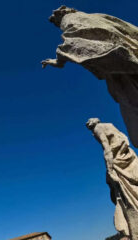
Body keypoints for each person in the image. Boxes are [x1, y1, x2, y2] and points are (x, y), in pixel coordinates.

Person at [42, 6, 138, 147]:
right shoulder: (100, 16)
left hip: (121, 68)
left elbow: (76, 37)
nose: (60, 25)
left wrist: (59, 58)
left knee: (132, 106)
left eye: (57, 22)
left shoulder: (70, 18)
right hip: (126, 63)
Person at [86, 118, 138, 240]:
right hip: (128, 155)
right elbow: (125, 138)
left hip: (116, 161)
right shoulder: (110, 124)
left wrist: (109, 169)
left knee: (125, 195)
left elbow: (106, 148)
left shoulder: (98, 129)